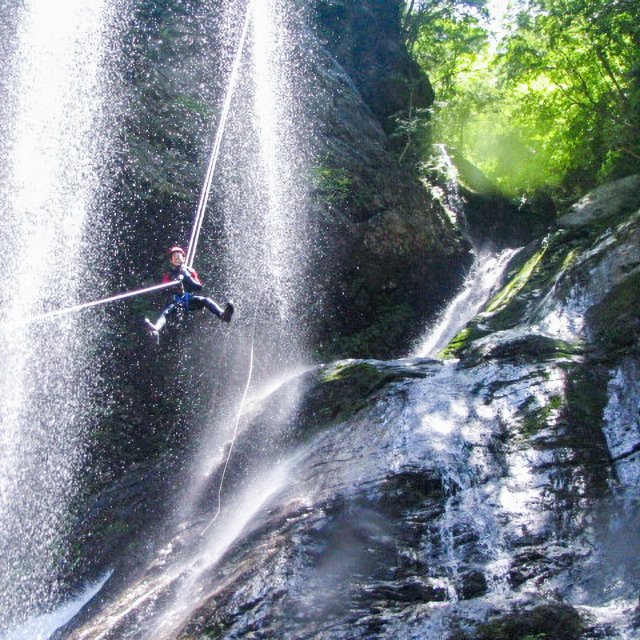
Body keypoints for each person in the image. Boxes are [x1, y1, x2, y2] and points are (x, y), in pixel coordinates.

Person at [144, 246, 233, 343]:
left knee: (205, 300)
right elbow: (164, 290)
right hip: (177, 301)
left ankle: (223, 315)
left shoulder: (190, 271)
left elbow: (198, 287)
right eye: (174, 257)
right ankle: (156, 329)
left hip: (189, 299)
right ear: (171, 261)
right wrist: (175, 284)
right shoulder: (169, 275)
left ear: (184, 258)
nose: (177, 258)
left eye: (179, 256)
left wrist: (187, 277)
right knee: (167, 312)